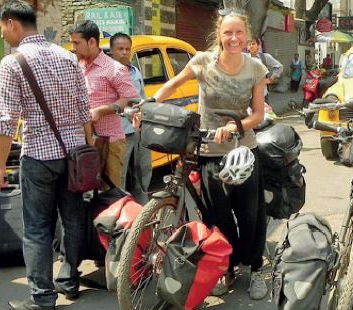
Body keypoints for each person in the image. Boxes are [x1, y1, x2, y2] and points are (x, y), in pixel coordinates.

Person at [152, 11, 268, 300]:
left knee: (250, 215)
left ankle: (255, 268)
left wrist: (234, 126)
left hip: (243, 152)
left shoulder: (255, 68)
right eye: (228, 33)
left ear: (247, 35)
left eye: (238, 32)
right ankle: (227, 267)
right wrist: (149, 103)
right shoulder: (203, 61)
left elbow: (258, 114)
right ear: (219, 34)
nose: (233, 38)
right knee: (217, 216)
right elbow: (174, 84)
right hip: (209, 150)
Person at [0, 1, 92, 309]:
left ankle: (42, 298)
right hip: (74, 153)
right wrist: (87, 150)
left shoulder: (13, 62)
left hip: (38, 156)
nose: (3, 34)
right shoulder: (67, 56)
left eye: (2, 28)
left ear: (12, 24)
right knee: (73, 220)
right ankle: (70, 281)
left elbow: (7, 120)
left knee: (37, 228)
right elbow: (84, 109)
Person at [70, 20, 138, 188]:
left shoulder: (114, 68)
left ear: (92, 41)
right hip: (82, 142)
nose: (73, 47)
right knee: (83, 191)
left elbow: (130, 99)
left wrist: (102, 111)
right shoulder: (76, 66)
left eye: (77, 43)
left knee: (110, 195)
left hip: (110, 142)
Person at [109, 32, 152, 205]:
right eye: (120, 49)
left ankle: (144, 206)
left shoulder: (135, 72)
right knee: (120, 173)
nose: (124, 52)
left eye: (127, 49)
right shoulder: (107, 73)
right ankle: (119, 209)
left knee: (143, 170)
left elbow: (141, 98)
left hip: (139, 129)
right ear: (112, 50)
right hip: (119, 132)